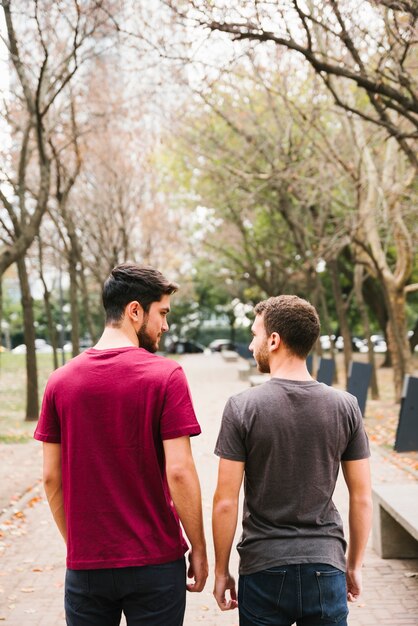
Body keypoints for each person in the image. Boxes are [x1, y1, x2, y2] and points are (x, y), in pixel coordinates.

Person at [34, 263, 208, 626]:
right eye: (162, 313)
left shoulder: (59, 382)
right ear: (134, 311)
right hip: (156, 563)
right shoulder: (166, 376)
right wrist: (201, 547)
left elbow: (51, 478)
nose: (166, 325)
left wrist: (79, 546)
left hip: (87, 569)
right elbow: (179, 471)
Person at [212, 295, 372, 626]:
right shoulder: (346, 406)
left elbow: (226, 500)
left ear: (274, 340)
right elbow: (362, 497)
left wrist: (220, 570)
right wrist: (353, 564)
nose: (251, 345)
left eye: (255, 335)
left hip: (263, 567)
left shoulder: (243, 407)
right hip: (326, 565)